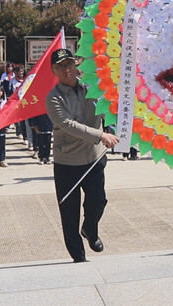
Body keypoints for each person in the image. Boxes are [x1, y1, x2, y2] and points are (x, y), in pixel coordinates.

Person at [45, 48, 119, 263]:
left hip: (94, 158)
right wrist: (101, 135)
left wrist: (113, 125)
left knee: (98, 201)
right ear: (53, 71)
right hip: (67, 162)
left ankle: (90, 229)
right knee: (69, 213)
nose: (67, 69)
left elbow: (109, 107)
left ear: (76, 64)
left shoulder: (92, 88)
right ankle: (79, 259)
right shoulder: (53, 98)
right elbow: (68, 124)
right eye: (60, 66)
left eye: (69, 63)